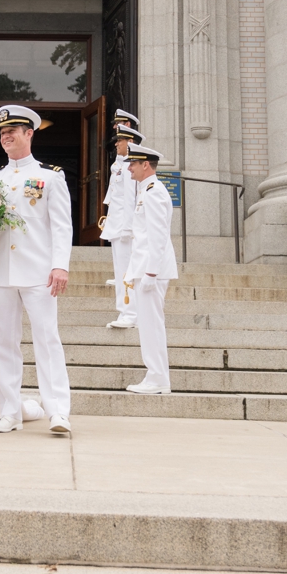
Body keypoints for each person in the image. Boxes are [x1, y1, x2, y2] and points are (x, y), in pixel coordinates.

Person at [0, 105, 74, 435]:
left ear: (30, 133)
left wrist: (60, 266)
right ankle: (10, 411)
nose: (6, 136)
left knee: (47, 339)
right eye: (1, 132)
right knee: (3, 343)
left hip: (39, 271)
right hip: (0, 272)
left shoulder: (50, 177)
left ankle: (57, 411)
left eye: (13, 131)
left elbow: (61, 226)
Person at [122, 142, 177, 395]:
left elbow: (157, 236)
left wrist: (151, 273)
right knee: (148, 325)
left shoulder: (154, 192)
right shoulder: (147, 190)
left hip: (150, 271)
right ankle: (156, 376)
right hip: (145, 269)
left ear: (146, 164)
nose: (129, 168)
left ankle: (157, 379)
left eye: (133, 163)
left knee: (151, 325)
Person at [101, 122, 143, 329]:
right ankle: (126, 312)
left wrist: (128, 228)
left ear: (131, 142)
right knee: (121, 272)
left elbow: (130, 199)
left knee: (127, 272)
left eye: (120, 140)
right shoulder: (122, 164)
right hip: (117, 225)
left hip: (124, 227)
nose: (116, 143)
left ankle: (130, 314)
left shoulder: (130, 167)